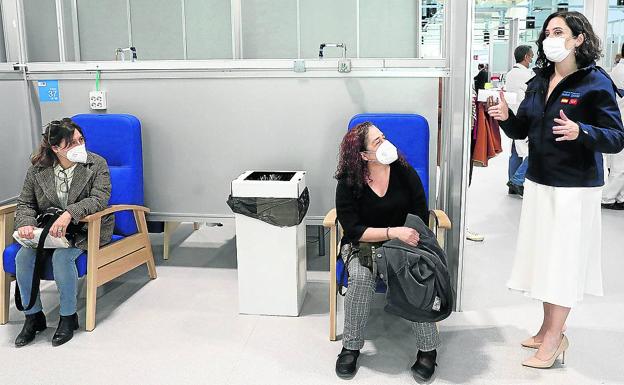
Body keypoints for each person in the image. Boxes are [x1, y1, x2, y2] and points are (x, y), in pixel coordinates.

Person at [488, 11, 624, 368]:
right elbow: (524, 130)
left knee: (562, 263)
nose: (550, 37)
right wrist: (506, 119)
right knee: (544, 260)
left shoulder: (595, 82)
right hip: (539, 181)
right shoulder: (540, 79)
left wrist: (583, 133)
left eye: (559, 31)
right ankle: (547, 327)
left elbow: (616, 138)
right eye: (547, 31)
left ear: (578, 39)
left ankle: (555, 338)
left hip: (574, 189)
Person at [334, 122, 440, 381]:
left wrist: (401, 240)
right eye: (377, 142)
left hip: (405, 243)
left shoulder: (404, 172)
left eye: (384, 137)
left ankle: (428, 350)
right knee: (360, 278)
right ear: (363, 155)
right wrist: (392, 232)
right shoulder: (349, 181)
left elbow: (419, 214)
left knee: (413, 276)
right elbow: (354, 229)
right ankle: (351, 347)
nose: (386, 144)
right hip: (362, 246)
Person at [13, 118, 114, 347]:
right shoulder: (38, 169)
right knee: (22, 258)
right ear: (55, 148)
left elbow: (99, 198)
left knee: (62, 258)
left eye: (81, 140)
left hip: (86, 228)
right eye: (71, 144)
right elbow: (25, 203)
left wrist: (70, 213)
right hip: (48, 231)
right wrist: (26, 223)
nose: (80, 146)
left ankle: (68, 317)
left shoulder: (96, 163)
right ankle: (33, 317)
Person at [504, 45, 535, 196]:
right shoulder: (527, 75)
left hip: (513, 118)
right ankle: (517, 180)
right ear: (526, 57)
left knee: (515, 152)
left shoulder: (510, 74)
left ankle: (513, 185)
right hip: (526, 118)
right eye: (532, 56)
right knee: (535, 151)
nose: (532, 59)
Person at [602, 44, 624, 210]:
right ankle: (608, 197)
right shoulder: (620, 71)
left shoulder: (618, 69)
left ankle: (619, 196)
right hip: (621, 120)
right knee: (619, 165)